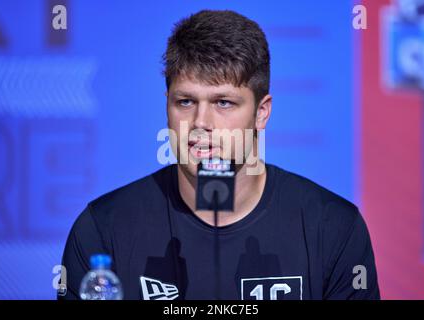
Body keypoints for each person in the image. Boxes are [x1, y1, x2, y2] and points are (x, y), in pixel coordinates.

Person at [59, 9, 380, 300]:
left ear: (261, 112)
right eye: (185, 102)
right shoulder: (103, 229)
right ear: (166, 104)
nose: (201, 123)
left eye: (223, 103)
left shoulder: (333, 227)